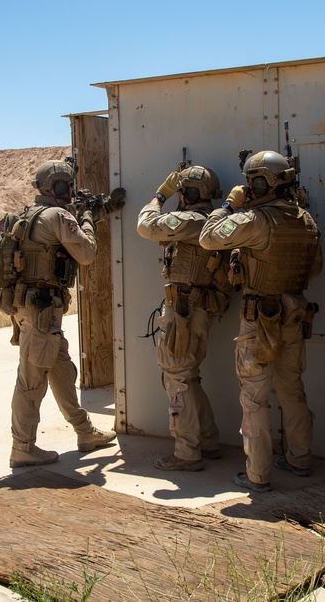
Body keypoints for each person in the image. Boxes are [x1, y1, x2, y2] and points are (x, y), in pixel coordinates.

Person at [199, 150, 322, 493]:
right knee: (292, 391)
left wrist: (230, 204)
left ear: (261, 182)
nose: (248, 187)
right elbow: (315, 269)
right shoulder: (306, 220)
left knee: (254, 399)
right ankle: (299, 458)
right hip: (293, 316)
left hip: (259, 320)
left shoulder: (256, 220)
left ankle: (258, 474)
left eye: (250, 181)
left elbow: (209, 237)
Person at [3, 160, 118, 467]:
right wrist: (89, 219)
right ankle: (23, 447)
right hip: (41, 312)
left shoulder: (32, 214)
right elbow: (87, 252)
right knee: (31, 382)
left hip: (35, 310)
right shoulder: (58, 215)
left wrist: (98, 212)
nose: (68, 191)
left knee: (63, 373)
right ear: (52, 188)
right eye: (64, 185)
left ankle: (85, 432)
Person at [136, 164, 232, 471]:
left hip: (183, 312)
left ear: (189, 194)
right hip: (195, 311)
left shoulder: (193, 221)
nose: (179, 196)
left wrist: (160, 196)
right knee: (187, 378)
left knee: (176, 378)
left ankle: (186, 453)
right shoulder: (213, 221)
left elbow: (146, 225)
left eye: (182, 191)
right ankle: (208, 440)